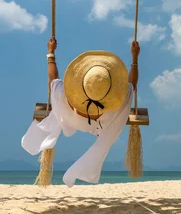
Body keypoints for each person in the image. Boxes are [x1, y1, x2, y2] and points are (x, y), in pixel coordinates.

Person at [21, 38, 140, 187]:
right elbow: (132, 85)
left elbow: (53, 79)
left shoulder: (63, 98)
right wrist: (135, 57)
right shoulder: (118, 106)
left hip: (71, 119)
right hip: (101, 124)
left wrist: (50, 53)